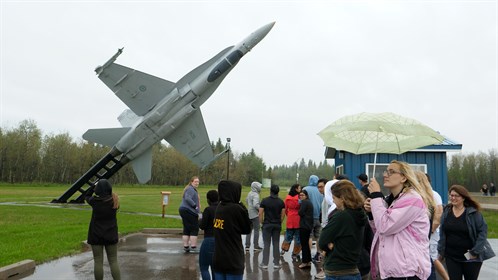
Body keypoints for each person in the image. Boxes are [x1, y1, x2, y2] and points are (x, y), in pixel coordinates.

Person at [365, 160, 432, 280]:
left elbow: (385, 227)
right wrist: (371, 213)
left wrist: (376, 195)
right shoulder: (389, 201)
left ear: (403, 178)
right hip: (392, 270)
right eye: (386, 171)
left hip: (407, 271)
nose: (385, 175)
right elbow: (379, 232)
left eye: (391, 172)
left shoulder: (412, 200)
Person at [438, 185, 496, 280]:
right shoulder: (446, 212)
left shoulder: (473, 213)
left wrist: (474, 252)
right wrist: (441, 251)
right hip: (451, 256)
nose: (453, 198)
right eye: (451, 195)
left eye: (456, 196)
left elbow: (482, 233)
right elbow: (442, 232)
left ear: (463, 197)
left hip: (469, 257)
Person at [318, 180, 368, 280]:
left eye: (334, 198)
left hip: (338, 271)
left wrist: (329, 246)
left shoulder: (342, 216)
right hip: (353, 267)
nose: (334, 202)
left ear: (342, 198)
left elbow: (322, 241)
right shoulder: (360, 214)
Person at [213, 180, 252, 280]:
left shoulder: (219, 207)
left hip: (219, 259)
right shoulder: (236, 209)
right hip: (233, 260)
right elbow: (247, 228)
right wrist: (242, 206)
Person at [85, 179, 121, 280]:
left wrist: (93, 186)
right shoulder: (115, 201)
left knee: (98, 261)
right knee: (113, 261)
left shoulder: (94, 202)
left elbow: (87, 196)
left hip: (96, 235)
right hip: (111, 234)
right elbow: (111, 195)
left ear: (98, 190)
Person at [414, 171, 447, 280]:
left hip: (431, 233)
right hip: (422, 234)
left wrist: (429, 231)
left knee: (432, 258)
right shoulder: (418, 195)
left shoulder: (434, 194)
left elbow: (438, 214)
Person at [259, 184, 286, 270]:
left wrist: (262, 222)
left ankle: (265, 263)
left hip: (267, 224)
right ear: (278, 192)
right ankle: (276, 263)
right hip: (277, 224)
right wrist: (279, 222)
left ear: (270, 191)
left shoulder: (264, 201)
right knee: (276, 243)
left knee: (266, 244)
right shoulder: (281, 202)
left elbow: (260, 213)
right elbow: (283, 215)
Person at [303, 176, 325, 264]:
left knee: (309, 236)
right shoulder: (320, 190)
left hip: (308, 217)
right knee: (318, 236)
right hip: (319, 216)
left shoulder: (305, 189)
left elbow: (301, 201)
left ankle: (308, 255)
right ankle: (318, 254)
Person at [199, 190, 219, 280]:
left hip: (209, 239)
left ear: (208, 200)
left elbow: (202, 226)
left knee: (204, 267)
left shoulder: (208, 209)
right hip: (220, 241)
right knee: (215, 268)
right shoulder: (221, 209)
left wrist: (199, 220)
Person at [179, 176, 201, 253]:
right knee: (194, 228)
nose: (197, 183)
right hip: (189, 210)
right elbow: (188, 198)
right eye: (195, 181)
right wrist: (195, 206)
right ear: (191, 182)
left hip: (183, 210)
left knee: (187, 228)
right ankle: (193, 247)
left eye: (198, 182)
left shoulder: (189, 189)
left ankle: (186, 246)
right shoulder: (191, 189)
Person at [281, 183, 302, 259]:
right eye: (299, 188)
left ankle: (284, 249)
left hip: (290, 217)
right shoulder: (299, 198)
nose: (300, 190)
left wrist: (288, 214)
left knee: (288, 235)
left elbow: (285, 209)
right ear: (296, 189)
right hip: (297, 218)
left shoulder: (287, 198)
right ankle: (295, 253)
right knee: (297, 237)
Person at [298, 189, 314, 269]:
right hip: (308, 225)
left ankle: (304, 262)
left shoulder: (304, 202)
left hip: (304, 226)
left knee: (304, 244)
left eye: (302, 195)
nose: (301, 197)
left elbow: (300, 213)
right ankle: (308, 261)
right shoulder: (309, 202)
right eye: (300, 195)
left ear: (306, 195)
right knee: (306, 245)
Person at [245, 181, 263, 252]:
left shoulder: (249, 193)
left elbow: (246, 200)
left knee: (249, 230)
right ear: (256, 187)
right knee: (256, 230)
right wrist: (260, 209)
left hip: (249, 213)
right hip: (255, 215)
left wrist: (250, 206)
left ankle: (247, 246)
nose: (260, 188)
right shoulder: (256, 195)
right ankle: (256, 246)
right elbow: (256, 204)